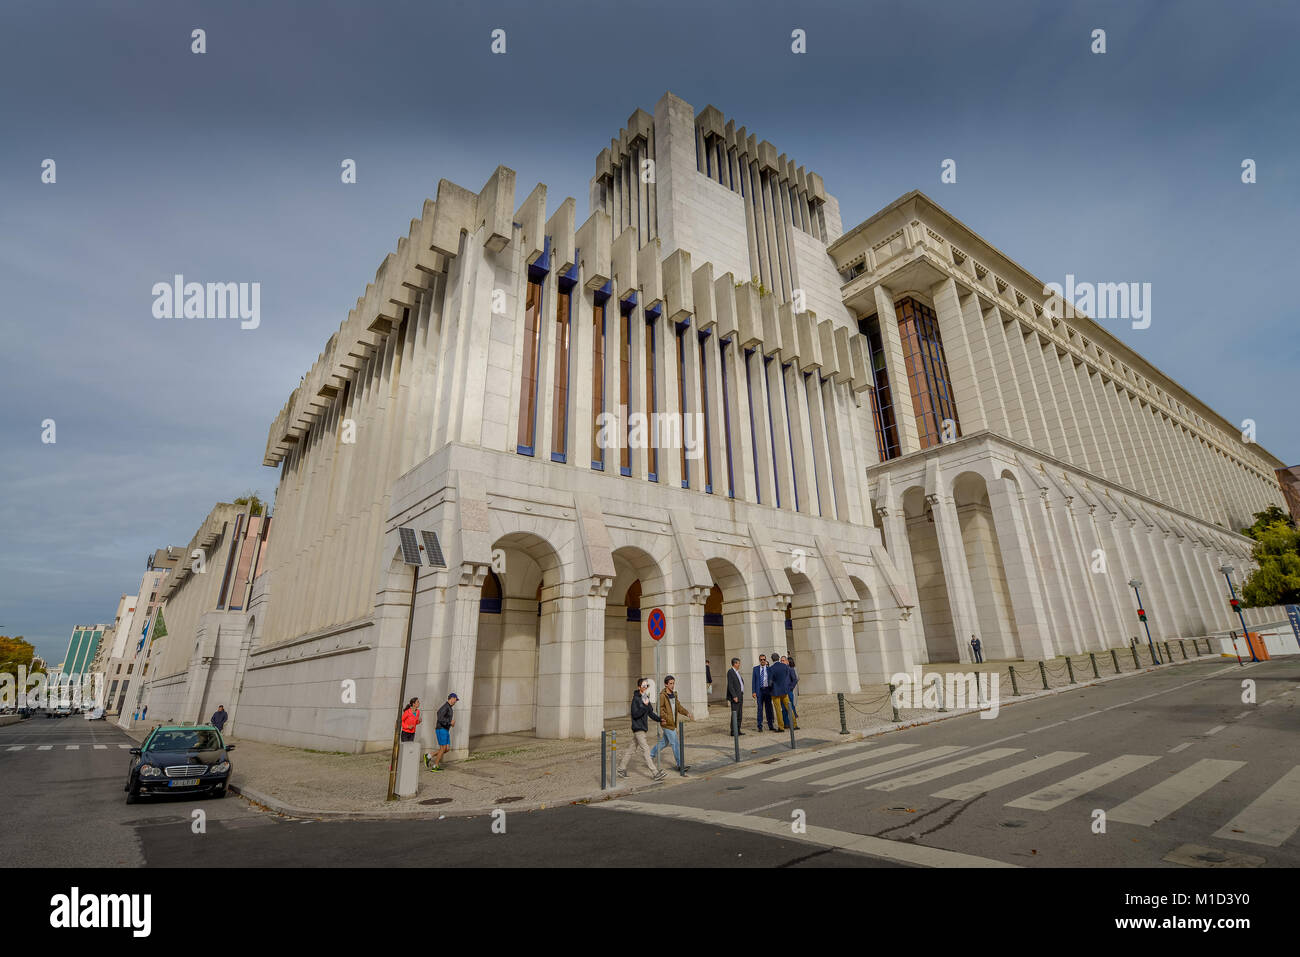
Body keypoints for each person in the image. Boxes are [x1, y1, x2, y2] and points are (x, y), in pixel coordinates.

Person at [618, 678, 666, 781]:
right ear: (639, 687)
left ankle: (621, 768)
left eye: (646, 686)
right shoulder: (635, 699)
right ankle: (655, 773)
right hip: (638, 728)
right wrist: (644, 707)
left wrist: (659, 719)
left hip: (643, 728)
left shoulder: (645, 698)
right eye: (643, 686)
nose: (645, 687)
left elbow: (650, 713)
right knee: (646, 749)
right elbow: (635, 715)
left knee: (631, 749)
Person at [650, 676, 692, 773]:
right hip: (667, 723)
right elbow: (659, 709)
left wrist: (687, 713)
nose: (672, 685)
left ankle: (650, 755)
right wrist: (665, 719)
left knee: (664, 742)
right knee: (675, 743)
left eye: (673, 683)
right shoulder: (662, 695)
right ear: (666, 684)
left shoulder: (674, 694)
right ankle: (680, 764)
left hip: (673, 723)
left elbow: (678, 707)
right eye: (670, 683)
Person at [426, 693, 457, 771]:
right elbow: (439, 716)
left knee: (446, 749)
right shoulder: (445, 706)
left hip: (445, 729)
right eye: (455, 699)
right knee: (443, 748)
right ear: (452, 698)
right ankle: (435, 766)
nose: (456, 701)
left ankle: (429, 756)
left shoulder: (449, 707)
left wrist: (450, 723)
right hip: (441, 729)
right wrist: (450, 722)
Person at [769, 653, 797, 731]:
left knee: (778, 710)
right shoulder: (784, 666)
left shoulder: (771, 668)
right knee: (789, 708)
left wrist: (769, 688)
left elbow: (770, 681)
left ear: (772, 659)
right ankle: (794, 724)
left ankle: (781, 727)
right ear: (778, 658)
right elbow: (786, 677)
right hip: (784, 690)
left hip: (775, 691)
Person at [751, 654, 775, 731]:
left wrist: (772, 690)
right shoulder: (755, 669)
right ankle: (759, 726)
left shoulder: (769, 669)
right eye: (761, 659)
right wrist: (753, 691)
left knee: (768, 709)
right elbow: (753, 681)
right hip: (759, 691)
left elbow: (772, 680)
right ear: (759, 660)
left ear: (766, 660)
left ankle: (770, 725)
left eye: (764, 659)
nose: (762, 661)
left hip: (767, 690)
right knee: (760, 709)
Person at [726, 658, 746, 736]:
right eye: (738, 663)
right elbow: (730, 685)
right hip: (735, 696)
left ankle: (738, 729)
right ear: (735, 664)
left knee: (740, 714)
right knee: (735, 713)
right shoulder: (730, 672)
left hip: (740, 695)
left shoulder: (737, 672)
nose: (739, 665)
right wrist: (734, 696)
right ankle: (733, 731)